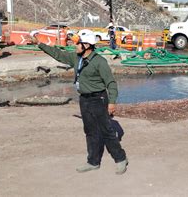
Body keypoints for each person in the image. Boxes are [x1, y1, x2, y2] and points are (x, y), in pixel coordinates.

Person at [38, 30, 128, 175]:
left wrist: (112, 102)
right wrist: (40, 44)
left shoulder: (99, 62)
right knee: (90, 131)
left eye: (78, 43)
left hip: (99, 99)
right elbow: (59, 55)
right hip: (84, 99)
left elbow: (111, 83)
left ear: (86, 45)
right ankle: (93, 162)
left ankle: (121, 159)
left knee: (106, 131)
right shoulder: (76, 58)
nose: (75, 45)